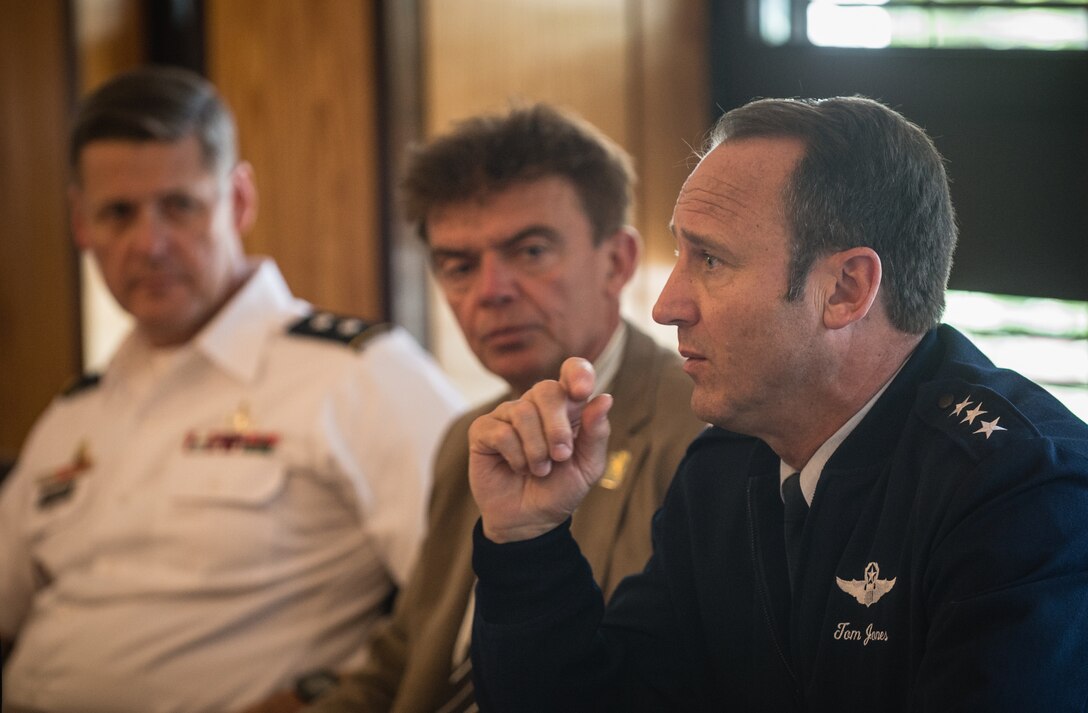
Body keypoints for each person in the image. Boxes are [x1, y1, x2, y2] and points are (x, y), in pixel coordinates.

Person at [466, 96, 1088, 711]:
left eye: (710, 259)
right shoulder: (724, 467)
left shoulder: (1024, 491)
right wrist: (528, 541)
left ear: (845, 290)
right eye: (681, 254)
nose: (666, 305)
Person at [0, 65, 464, 713]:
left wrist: (331, 693)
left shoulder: (360, 375)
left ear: (239, 201)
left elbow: (471, 598)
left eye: (180, 206)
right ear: (81, 223)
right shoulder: (73, 413)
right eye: (118, 213)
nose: (149, 244)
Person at [268, 104, 705, 713]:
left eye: (529, 252)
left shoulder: (702, 429)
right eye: (459, 265)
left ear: (618, 262)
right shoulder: (466, 441)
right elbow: (401, 664)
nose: (490, 291)